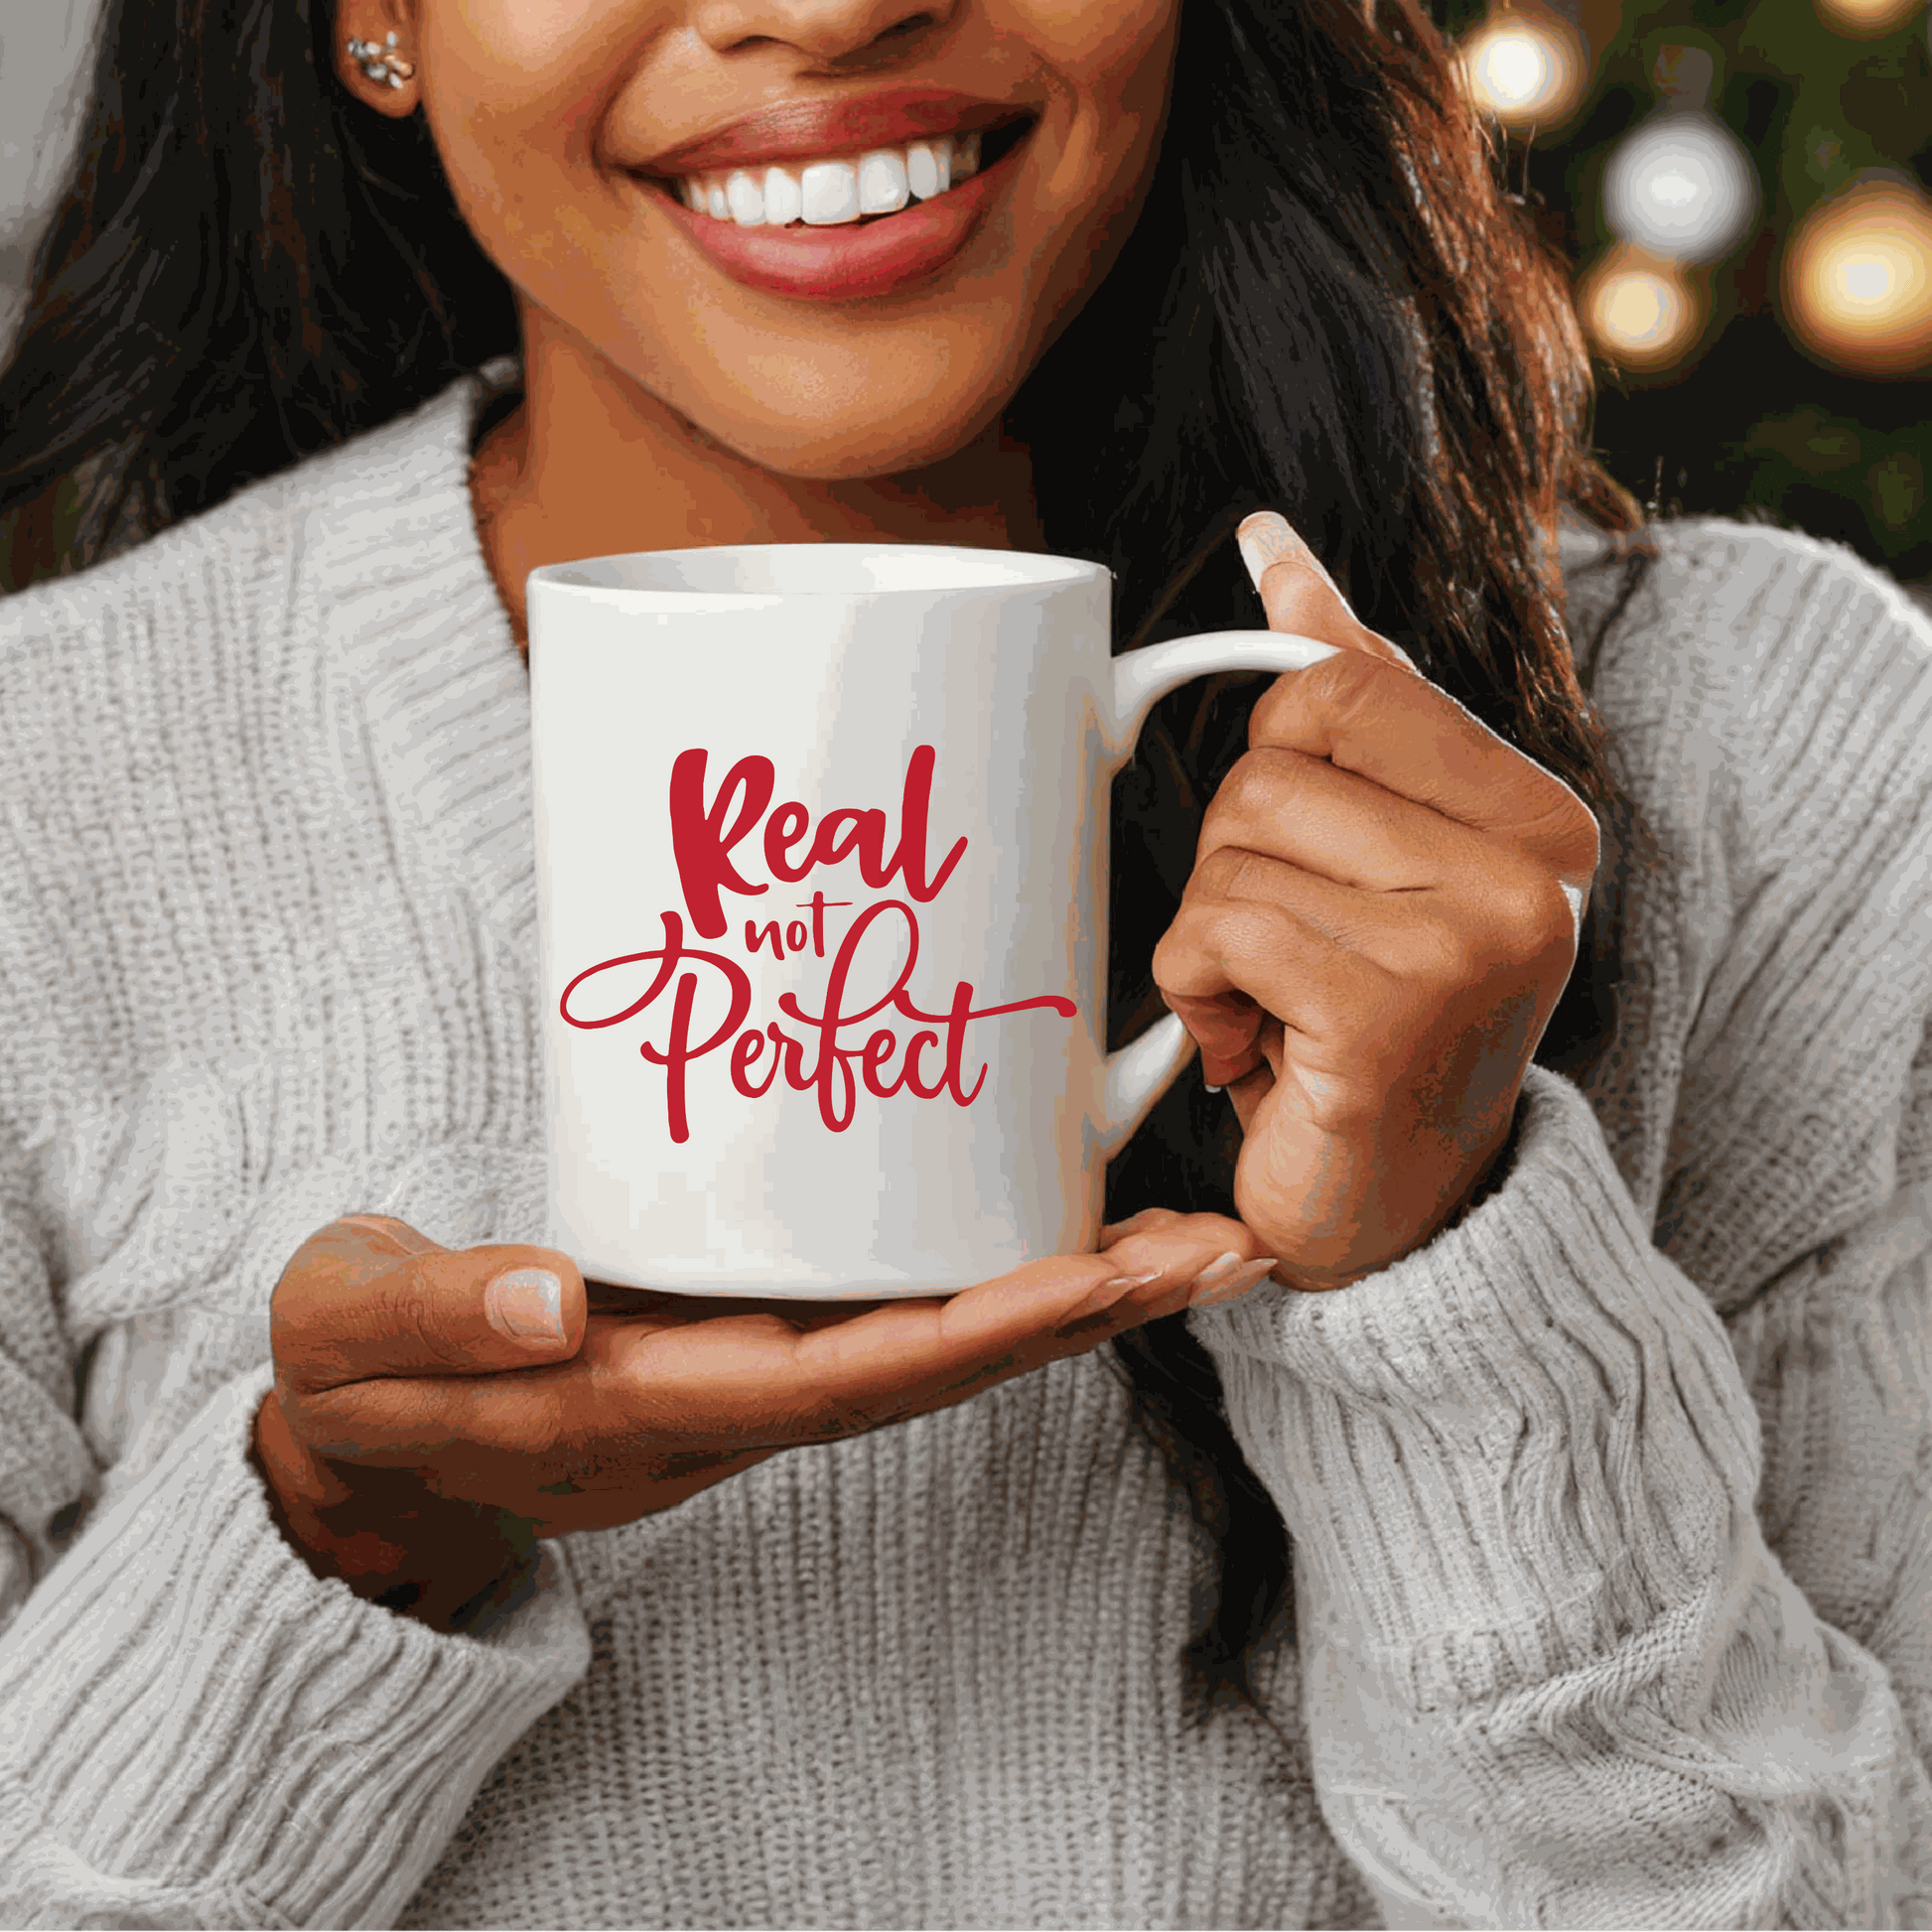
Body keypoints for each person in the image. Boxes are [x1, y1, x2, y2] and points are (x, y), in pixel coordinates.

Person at [0, 0, 1927, 1921]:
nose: (828, 9)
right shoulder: (48, 796)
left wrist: (1446, 1271)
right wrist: (341, 1539)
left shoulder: (1770, 754)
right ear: (376, 19)